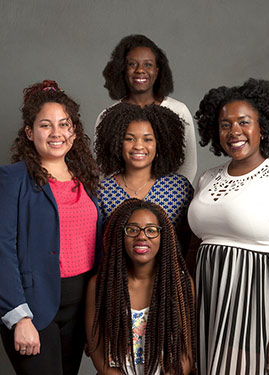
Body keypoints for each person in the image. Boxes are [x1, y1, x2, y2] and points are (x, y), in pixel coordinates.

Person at [188, 78, 269, 375]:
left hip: (256, 306)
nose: (234, 131)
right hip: (208, 305)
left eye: (244, 122)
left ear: (263, 127)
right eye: (225, 124)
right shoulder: (207, 178)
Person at [0, 80, 102, 375]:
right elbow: (2, 250)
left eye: (64, 124)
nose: (56, 133)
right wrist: (18, 317)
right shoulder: (13, 179)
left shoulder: (87, 179)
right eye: (46, 125)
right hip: (32, 309)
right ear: (30, 133)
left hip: (79, 308)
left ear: (74, 130)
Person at [86, 198, 196, 375]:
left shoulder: (180, 285)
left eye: (151, 230)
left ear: (163, 236)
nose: (142, 236)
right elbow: (97, 353)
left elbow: (186, 356)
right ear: (120, 235)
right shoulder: (100, 285)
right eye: (132, 230)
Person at [95, 34, 197, 184]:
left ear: (157, 71)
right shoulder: (108, 117)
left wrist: (170, 196)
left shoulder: (178, 110)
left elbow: (188, 165)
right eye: (132, 64)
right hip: (122, 201)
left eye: (147, 64)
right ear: (123, 70)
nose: (140, 70)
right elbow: (103, 167)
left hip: (167, 200)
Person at [95, 101, 194, 256]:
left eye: (147, 139)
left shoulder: (179, 188)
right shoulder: (102, 191)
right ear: (116, 143)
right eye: (129, 138)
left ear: (160, 144)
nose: (138, 146)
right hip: (116, 277)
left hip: (169, 277)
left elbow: (190, 242)